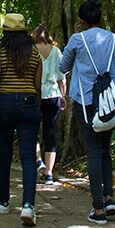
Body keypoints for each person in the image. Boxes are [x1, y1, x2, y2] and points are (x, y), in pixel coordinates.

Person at [59, 0, 115, 225]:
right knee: (105, 149)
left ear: (82, 21)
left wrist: (74, 39)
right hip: (112, 103)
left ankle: (98, 209)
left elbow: (63, 67)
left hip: (85, 103)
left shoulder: (77, 39)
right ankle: (109, 197)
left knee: (93, 151)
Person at [0, 13, 42, 226]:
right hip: (28, 103)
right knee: (28, 157)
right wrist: (36, 109)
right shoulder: (34, 53)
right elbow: (37, 86)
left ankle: (4, 202)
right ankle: (27, 206)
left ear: (5, 32)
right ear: (25, 32)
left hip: (4, 103)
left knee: (4, 155)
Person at [31, 25, 66, 185]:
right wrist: (63, 95)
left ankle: (39, 161)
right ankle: (49, 173)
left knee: (31, 130)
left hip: (35, 94)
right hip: (53, 95)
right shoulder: (56, 51)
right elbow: (61, 77)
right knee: (49, 133)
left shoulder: (31, 50)